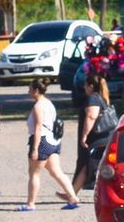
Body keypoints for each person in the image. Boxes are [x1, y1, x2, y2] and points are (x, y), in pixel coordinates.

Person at [22, 79, 81, 211]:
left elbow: (38, 127)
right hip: (53, 141)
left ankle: (30, 204)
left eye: (30, 89)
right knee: (56, 171)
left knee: (34, 173)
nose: (28, 91)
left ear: (36, 91)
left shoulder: (38, 106)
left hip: (41, 140)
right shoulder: (49, 103)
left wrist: (35, 149)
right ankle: (73, 197)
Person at [70, 75, 114, 192]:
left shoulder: (93, 98)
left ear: (91, 86)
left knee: (89, 164)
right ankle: (72, 193)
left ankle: (72, 193)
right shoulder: (102, 98)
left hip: (96, 139)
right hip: (103, 137)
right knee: (86, 165)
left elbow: (91, 116)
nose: (84, 87)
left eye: (85, 85)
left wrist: (84, 136)